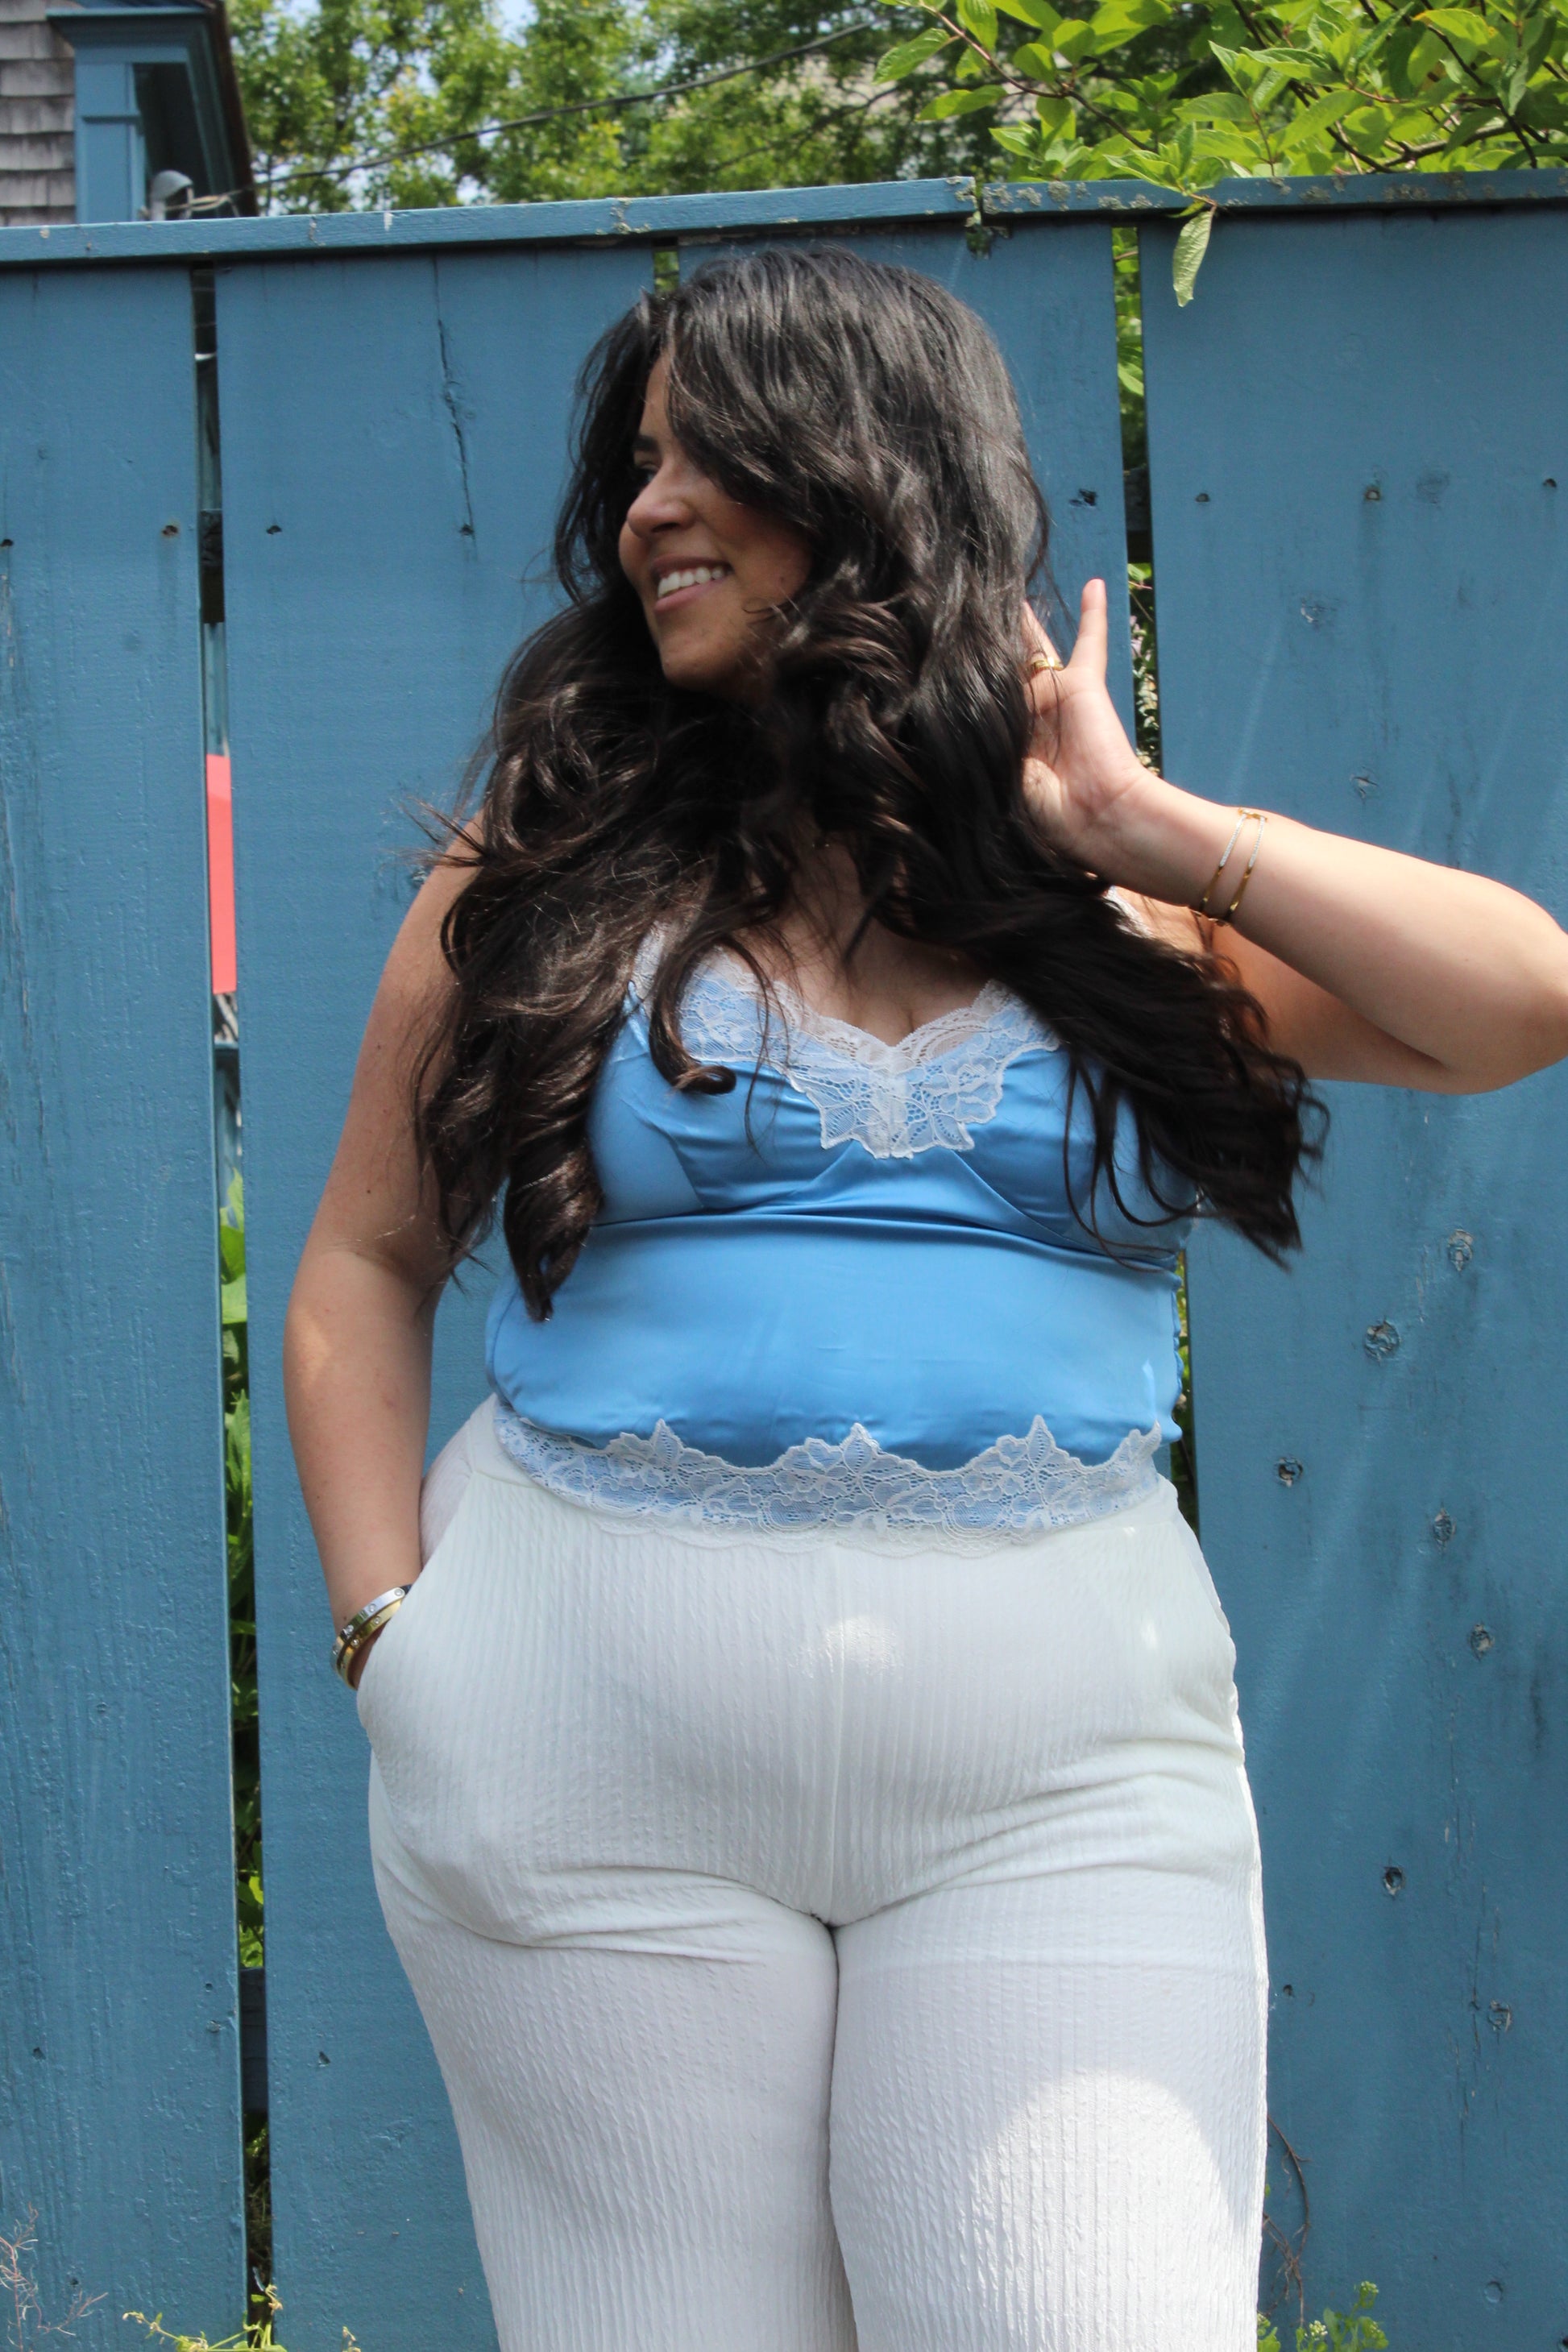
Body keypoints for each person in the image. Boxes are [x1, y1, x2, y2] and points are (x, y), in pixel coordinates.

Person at [283, 246, 1568, 2352]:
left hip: (1063, 1782)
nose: (646, 509)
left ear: (861, 470)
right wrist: (387, 1643)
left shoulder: (1111, 890)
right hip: (574, 1759)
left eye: (700, 454)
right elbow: (364, 1259)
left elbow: (1516, 1003)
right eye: (633, 466)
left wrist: (1148, 825)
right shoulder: (550, 860)